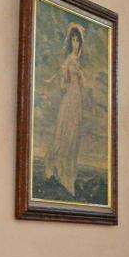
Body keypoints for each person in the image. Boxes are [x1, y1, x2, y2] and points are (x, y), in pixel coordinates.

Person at [47, 24, 89, 198]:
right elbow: (63, 85)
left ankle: (69, 178)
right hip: (70, 99)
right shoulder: (69, 61)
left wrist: (80, 77)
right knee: (66, 134)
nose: (75, 43)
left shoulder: (77, 62)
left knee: (74, 137)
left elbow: (84, 85)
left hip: (77, 99)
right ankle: (61, 175)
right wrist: (64, 78)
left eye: (77, 40)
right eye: (73, 40)